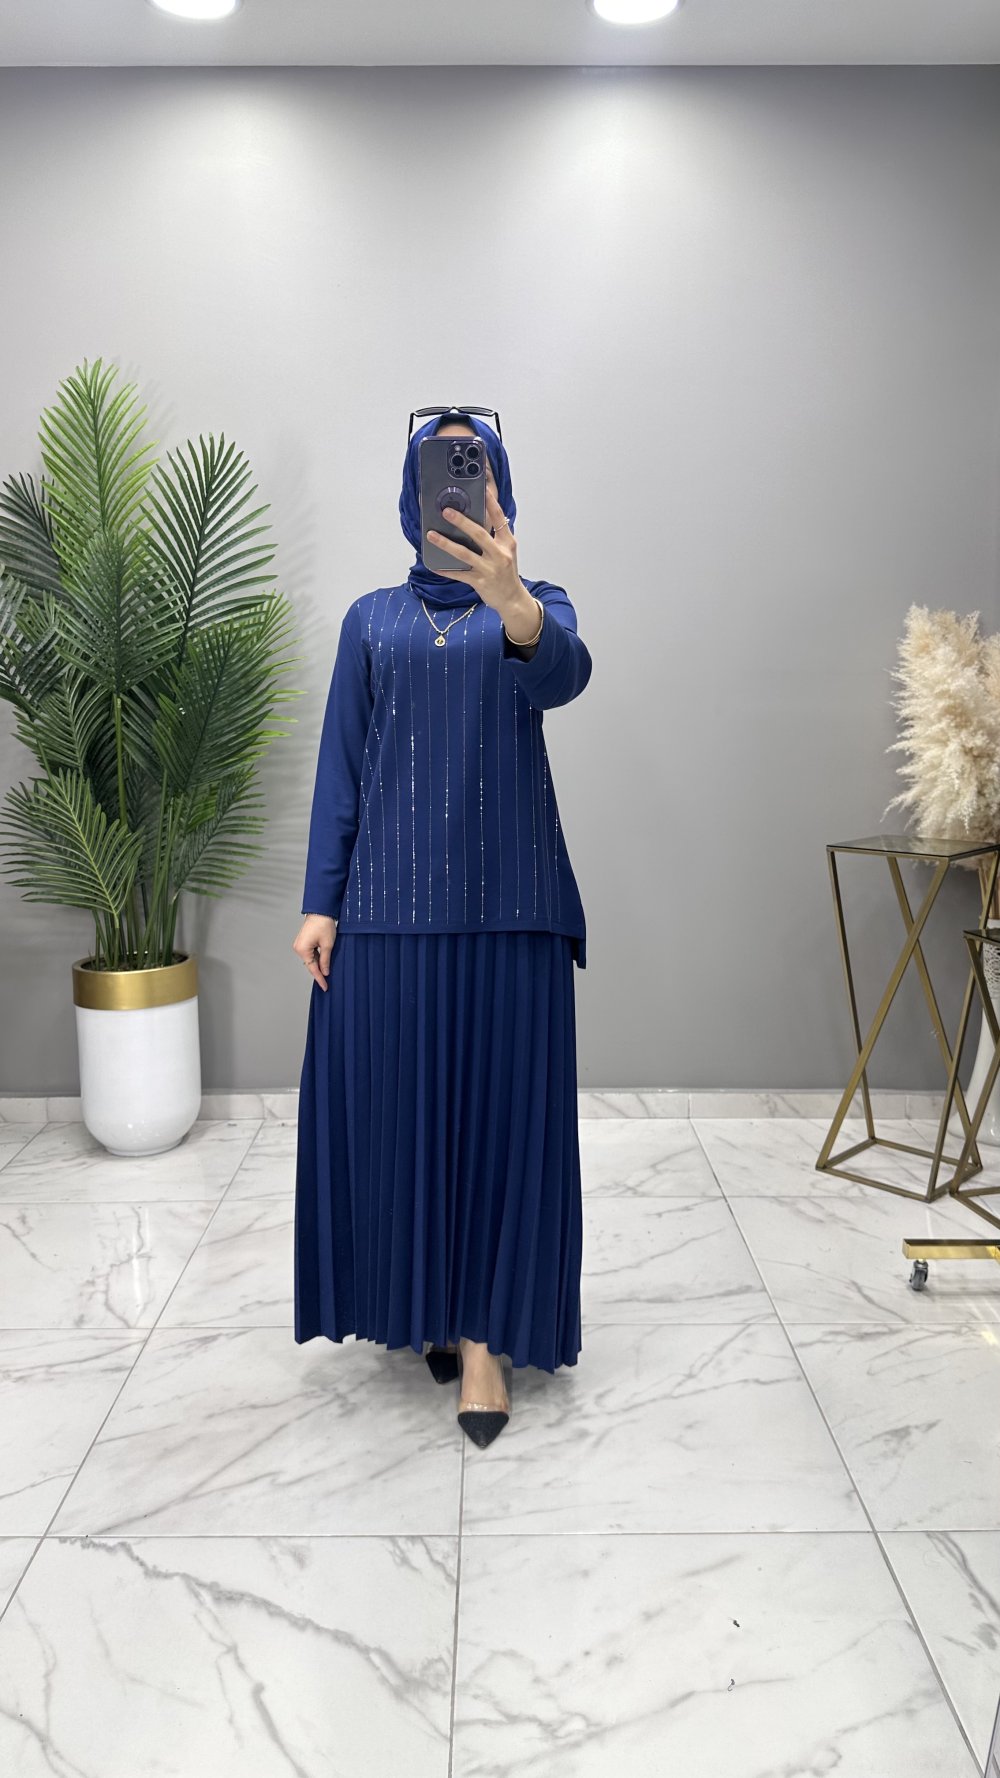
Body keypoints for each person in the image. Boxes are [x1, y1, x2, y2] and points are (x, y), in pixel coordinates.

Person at [292, 408, 593, 1447]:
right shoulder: (370, 620)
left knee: (501, 1132)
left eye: (476, 469)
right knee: (402, 1126)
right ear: (413, 491)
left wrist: (512, 599)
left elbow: (562, 675)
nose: (458, 488)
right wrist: (321, 901)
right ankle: (422, 1300)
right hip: (385, 914)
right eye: (441, 469)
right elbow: (342, 764)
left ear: (499, 489)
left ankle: (483, 1343)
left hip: (510, 911)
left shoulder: (535, 606)